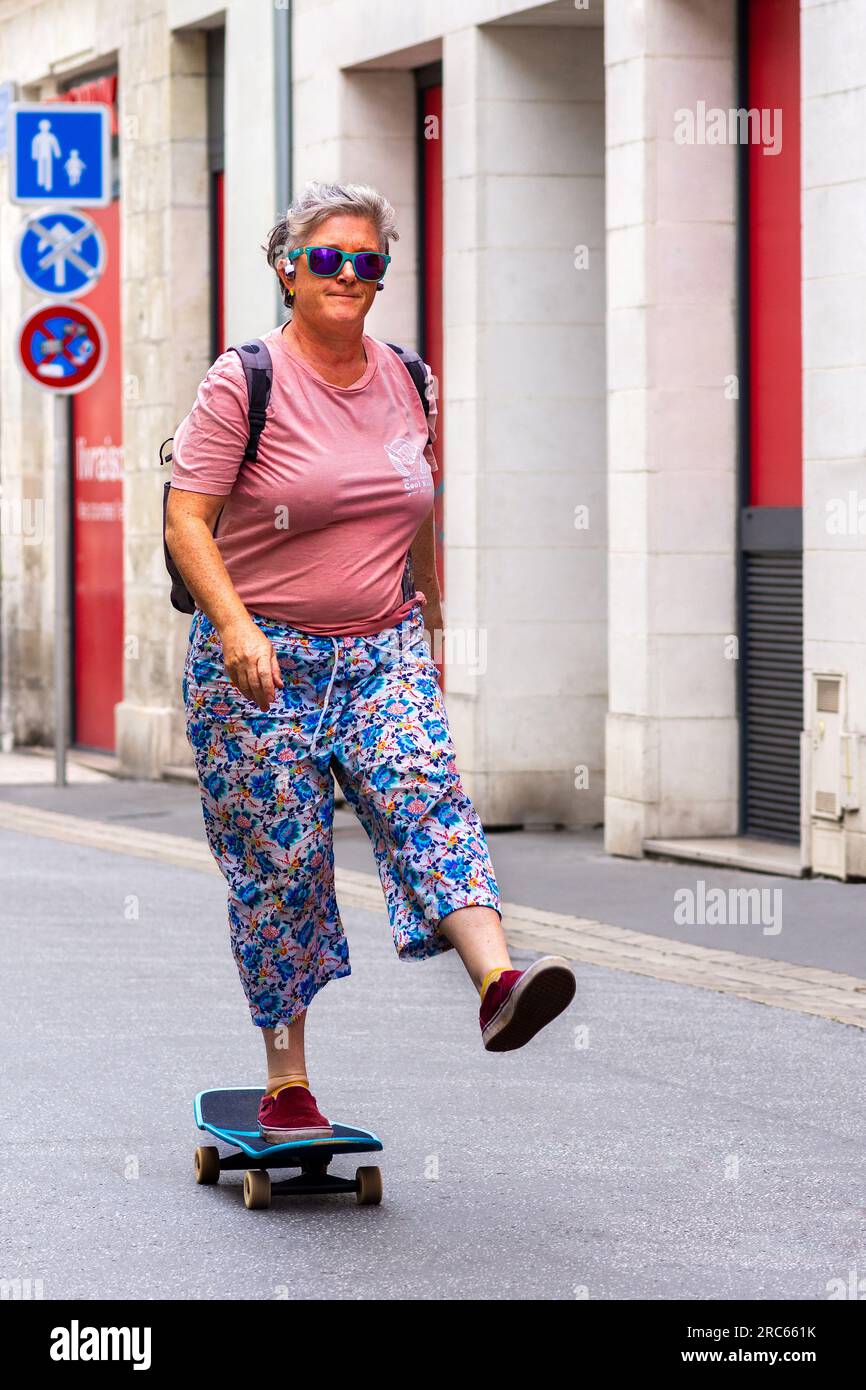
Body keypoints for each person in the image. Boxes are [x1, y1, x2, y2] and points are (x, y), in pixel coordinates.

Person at [166, 180, 576, 1142]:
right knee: (284, 863)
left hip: (380, 643)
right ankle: (287, 1084)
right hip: (259, 663)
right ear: (288, 270)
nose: (348, 274)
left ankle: (497, 982)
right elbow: (188, 517)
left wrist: (430, 627)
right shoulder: (245, 379)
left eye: (368, 261)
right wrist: (233, 626)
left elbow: (418, 511)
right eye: (328, 259)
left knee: (429, 791)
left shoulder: (412, 380)